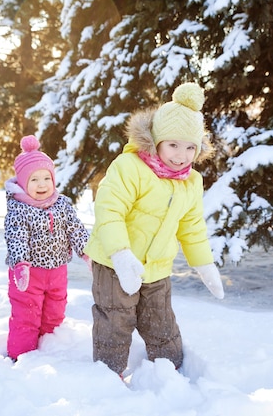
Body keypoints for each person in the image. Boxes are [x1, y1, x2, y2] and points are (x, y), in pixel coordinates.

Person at [83, 82, 225, 376]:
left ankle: (170, 374)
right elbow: (110, 210)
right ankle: (109, 377)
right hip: (113, 263)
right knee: (115, 320)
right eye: (173, 144)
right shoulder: (129, 167)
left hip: (157, 268)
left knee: (161, 322)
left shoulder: (191, 182)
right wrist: (121, 254)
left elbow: (192, 226)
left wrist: (204, 264)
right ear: (156, 140)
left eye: (190, 147)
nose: (181, 155)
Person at [4, 135, 90, 360]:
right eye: (34, 180)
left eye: (46, 178)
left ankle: (50, 349)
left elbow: (75, 229)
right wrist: (20, 264)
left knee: (54, 313)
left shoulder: (61, 204)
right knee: (26, 317)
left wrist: (88, 252)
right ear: (23, 183)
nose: (42, 184)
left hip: (57, 271)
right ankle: (21, 357)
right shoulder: (19, 208)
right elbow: (16, 237)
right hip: (28, 275)